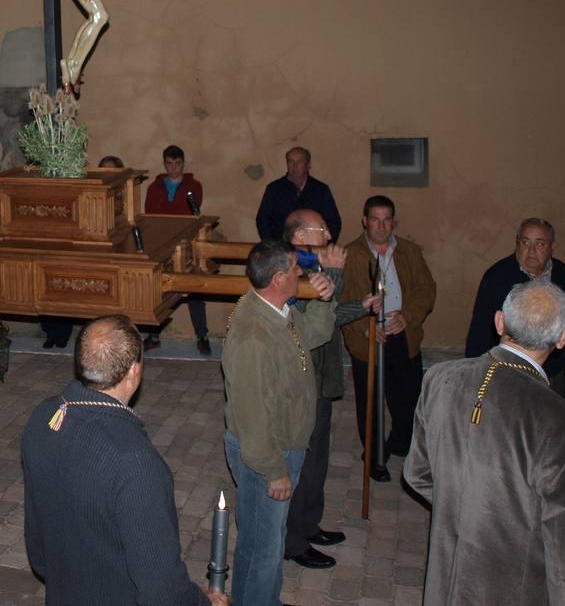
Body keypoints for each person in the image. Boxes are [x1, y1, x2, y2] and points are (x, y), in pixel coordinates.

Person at [405, 279, 565, 605]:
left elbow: (417, 475)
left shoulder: (439, 378)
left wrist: (464, 512)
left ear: (499, 322)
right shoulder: (563, 422)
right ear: (563, 337)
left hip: (446, 578)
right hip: (513, 586)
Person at [21, 314, 226, 606]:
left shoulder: (44, 416)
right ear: (134, 372)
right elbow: (161, 590)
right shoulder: (135, 462)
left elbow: (38, 548)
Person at [221, 240, 337, 605]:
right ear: (278, 278)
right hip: (266, 452)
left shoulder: (277, 311)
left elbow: (314, 336)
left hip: (284, 443)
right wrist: (275, 471)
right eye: (294, 268)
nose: (300, 272)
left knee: (270, 538)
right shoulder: (253, 335)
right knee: (261, 547)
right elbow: (252, 414)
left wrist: (325, 298)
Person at [282, 209, 380, 570]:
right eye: (320, 228)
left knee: (317, 458)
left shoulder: (312, 265)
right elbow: (316, 320)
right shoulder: (291, 267)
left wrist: (361, 307)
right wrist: (336, 273)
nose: (328, 233)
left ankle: (308, 525)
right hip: (303, 377)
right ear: (299, 237)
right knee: (300, 461)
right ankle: (292, 541)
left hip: (321, 378)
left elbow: (333, 313)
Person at [339, 195, 436, 481]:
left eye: (387, 219)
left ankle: (399, 440)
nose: (381, 226)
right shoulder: (350, 255)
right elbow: (341, 301)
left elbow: (426, 289)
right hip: (367, 337)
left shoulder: (409, 251)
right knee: (369, 404)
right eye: (375, 219)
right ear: (364, 221)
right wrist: (364, 327)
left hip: (402, 333)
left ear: (393, 221)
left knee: (407, 401)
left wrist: (408, 315)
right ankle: (375, 455)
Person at [465, 217, 565, 397]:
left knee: (551, 417)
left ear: (551, 247)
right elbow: (480, 329)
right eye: (525, 242)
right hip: (509, 369)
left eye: (540, 244)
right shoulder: (497, 277)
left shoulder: (561, 274)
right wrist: (475, 372)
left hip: (552, 368)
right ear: (517, 244)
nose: (531, 251)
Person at [142, 144, 210, 353]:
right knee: (159, 289)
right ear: (164, 164)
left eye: (177, 163)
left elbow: (188, 212)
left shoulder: (194, 185)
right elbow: (151, 213)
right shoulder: (154, 187)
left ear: (183, 163)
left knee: (193, 289)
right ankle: (154, 335)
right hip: (161, 244)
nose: (173, 168)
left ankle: (202, 335)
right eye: (169, 164)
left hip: (186, 245)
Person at [255, 147, 342, 243]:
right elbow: (263, 221)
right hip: (282, 248)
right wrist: (272, 246)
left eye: (299, 162)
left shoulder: (320, 190)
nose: (294, 166)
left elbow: (333, 222)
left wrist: (324, 247)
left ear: (308, 165)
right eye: (291, 162)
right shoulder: (274, 189)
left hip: (313, 249)